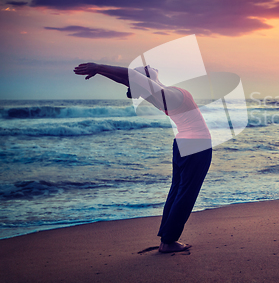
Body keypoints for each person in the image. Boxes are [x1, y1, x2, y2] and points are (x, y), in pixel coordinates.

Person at [74, 62, 212, 253]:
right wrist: (99, 67)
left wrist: (101, 71)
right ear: (147, 79)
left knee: (177, 191)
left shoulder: (159, 94)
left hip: (182, 143)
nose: (149, 64)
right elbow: (132, 77)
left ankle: (167, 238)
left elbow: (129, 79)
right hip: (197, 145)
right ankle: (168, 241)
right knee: (185, 194)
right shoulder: (168, 95)